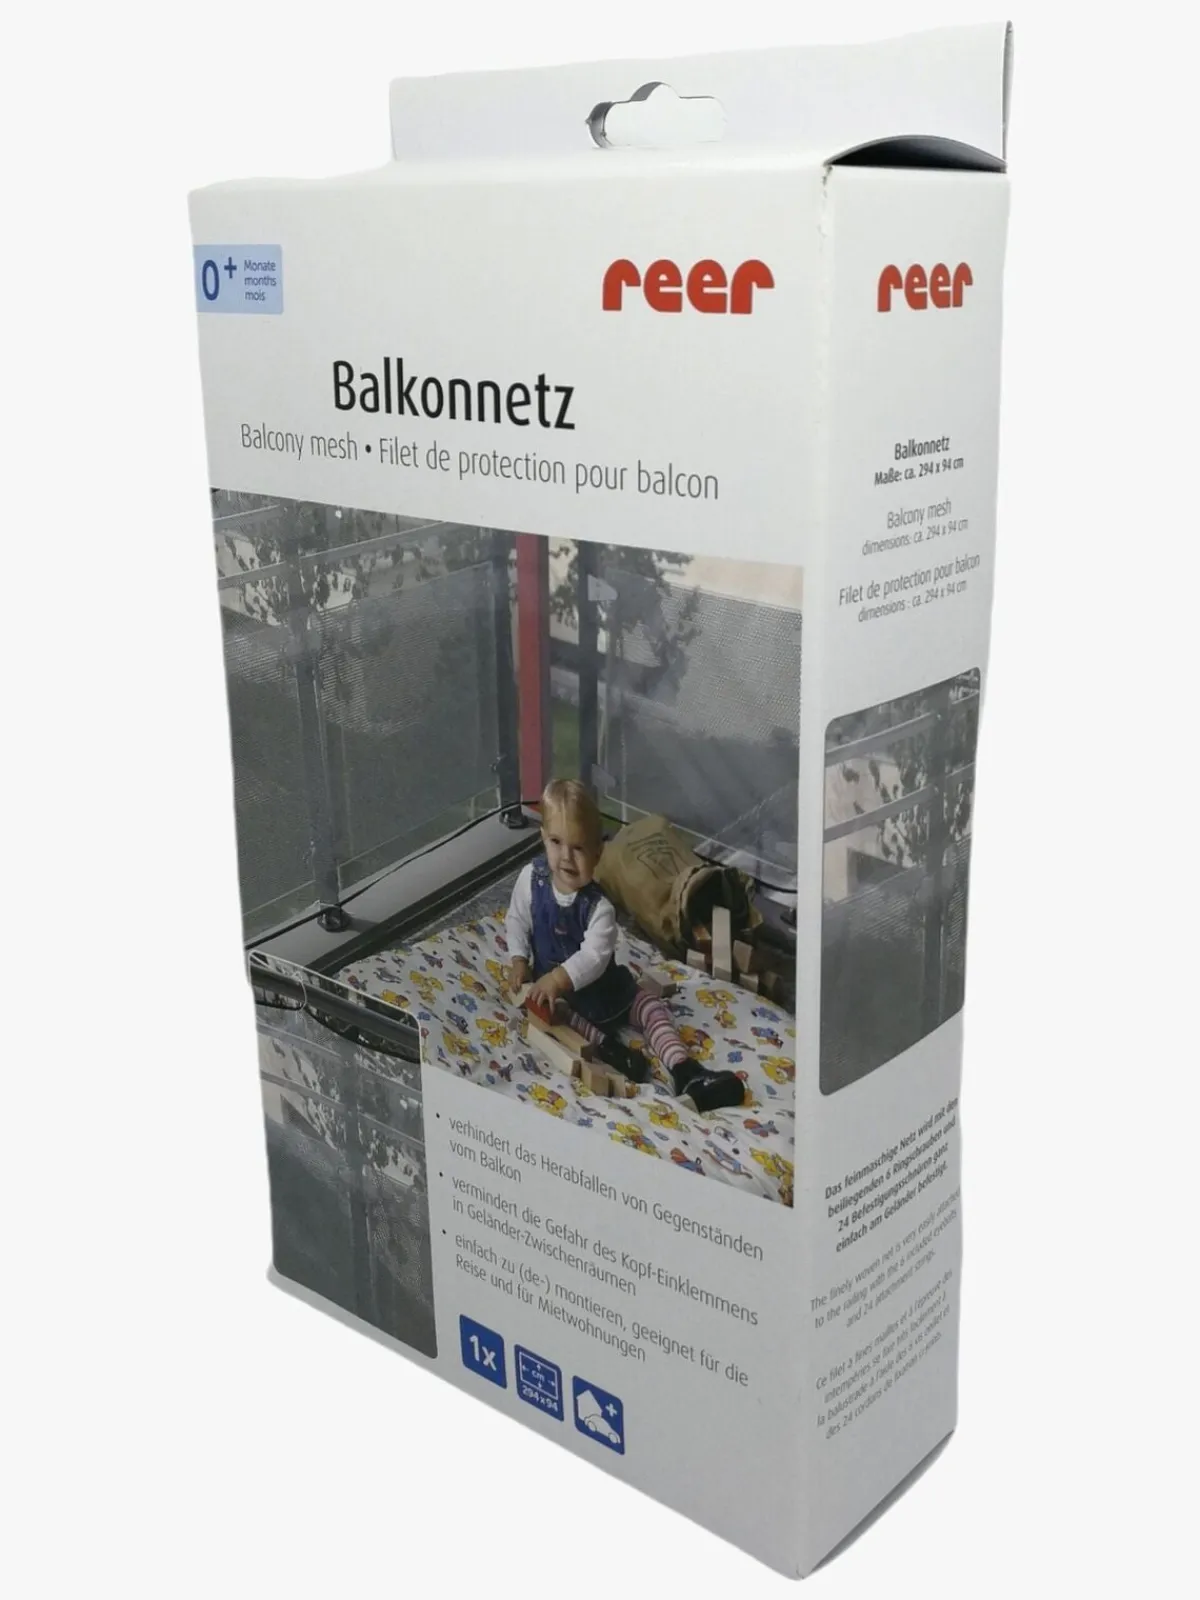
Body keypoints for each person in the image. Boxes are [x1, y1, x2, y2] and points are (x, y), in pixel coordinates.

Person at [506, 778, 745, 1113]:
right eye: (556, 842)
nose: (566, 857)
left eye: (579, 848)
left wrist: (558, 978)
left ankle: (683, 1068)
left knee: (650, 1007)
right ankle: (614, 1053)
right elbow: (517, 919)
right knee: (560, 1018)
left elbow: (594, 956)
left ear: (598, 853)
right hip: (561, 999)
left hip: (605, 992)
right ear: (543, 837)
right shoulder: (531, 880)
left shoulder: (599, 908)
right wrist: (519, 958)